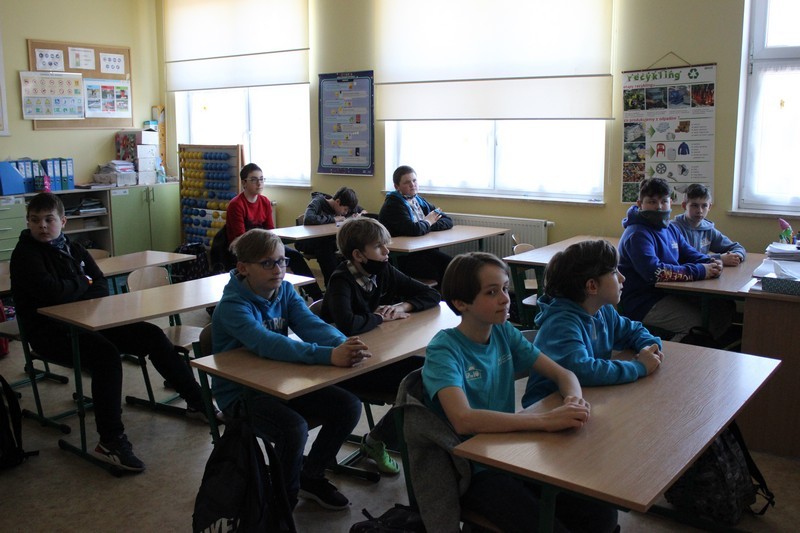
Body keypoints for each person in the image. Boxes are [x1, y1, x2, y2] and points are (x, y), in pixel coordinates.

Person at [10, 192, 211, 473]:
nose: (41, 226)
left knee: (151, 335)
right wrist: (83, 283)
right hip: (50, 332)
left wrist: (76, 288)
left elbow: (101, 286)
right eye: (34, 220)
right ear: (28, 222)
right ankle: (110, 441)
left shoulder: (74, 248)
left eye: (48, 219)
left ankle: (198, 403)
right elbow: (51, 293)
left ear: (63, 221)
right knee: (105, 356)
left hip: (92, 321)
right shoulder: (25, 255)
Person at [422, 252, 618, 532]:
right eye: (492, 292)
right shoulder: (444, 349)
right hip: (471, 468)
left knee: (601, 512)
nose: (505, 299)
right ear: (461, 303)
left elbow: (564, 374)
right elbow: (463, 420)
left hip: (508, 450)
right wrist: (545, 420)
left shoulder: (503, 331)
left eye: (505, 288)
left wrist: (574, 402)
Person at [211, 228, 369, 511]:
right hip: (241, 394)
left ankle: (311, 476)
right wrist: (329, 356)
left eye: (282, 261)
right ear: (243, 268)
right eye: (267, 263)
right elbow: (267, 343)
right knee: (293, 429)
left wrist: (343, 344)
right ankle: (282, 502)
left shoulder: (284, 290)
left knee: (348, 406)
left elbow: (310, 324)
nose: (278, 269)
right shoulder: (232, 305)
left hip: (279, 383)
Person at [320, 217, 440, 474]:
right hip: (348, 365)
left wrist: (402, 306)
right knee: (419, 384)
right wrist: (379, 317)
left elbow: (431, 294)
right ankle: (383, 438)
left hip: (378, 354)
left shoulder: (383, 270)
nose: (387, 251)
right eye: (378, 247)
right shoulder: (341, 280)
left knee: (434, 373)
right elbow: (347, 324)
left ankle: (379, 438)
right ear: (358, 255)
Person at [522, 239, 663, 408]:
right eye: (614, 272)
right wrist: (639, 367)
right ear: (592, 286)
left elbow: (633, 331)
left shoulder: (603, 310)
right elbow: (583, 370)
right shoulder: (561, 324)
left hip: (586, 397)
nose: (622, 277)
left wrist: (650, 348)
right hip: (549, 406)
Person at [618, 177, 733, 342]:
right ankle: (664, 354)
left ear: (670, 203)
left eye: (664, 201)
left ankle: (705, 350)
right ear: (640, 204)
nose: (659, 207)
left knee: (722, 309)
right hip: (644, 301)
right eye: (652, 202)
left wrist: (710, 262)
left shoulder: (670, 227)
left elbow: (689, 253)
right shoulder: (637, 234)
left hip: (669, 292)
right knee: (696, 326)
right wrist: (701, 271)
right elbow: (655, 272)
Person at [226, 163, 324, 300]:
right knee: (267, 263)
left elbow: (270, 231)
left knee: (295, 256)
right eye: (254, 179)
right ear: (244, 183)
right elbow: (240, 238)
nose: (259, 183)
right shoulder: (236, 204)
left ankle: (318, 298)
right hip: (245, 248)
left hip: (264, 245)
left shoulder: (265, 201)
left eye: (261, 179)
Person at [378, 165, 453, 286]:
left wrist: (426, 225)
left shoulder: (419, 200)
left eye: (414, 180)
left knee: (452, 265)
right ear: (397, 187)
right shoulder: (393, 204)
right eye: (407, 182)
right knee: (439, 270)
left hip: (422, 250)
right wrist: (428, 222)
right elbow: (413, 229)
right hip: (403, 257)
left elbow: (447, 220)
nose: (412, 185)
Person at [295, 187, 365, 285]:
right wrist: (333, 219)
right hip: (308, 241)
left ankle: (345, 283)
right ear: (337, 201)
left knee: (346, 246)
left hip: (326, 242)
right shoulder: (318, 201)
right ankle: (333, 284)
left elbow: (361, 210)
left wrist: (361, 214)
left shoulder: (343, 205)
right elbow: (308, 219)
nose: (345, 213)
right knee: (326, 248)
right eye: (345, 209)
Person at [673, 183, 746, 266]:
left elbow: (737, 247)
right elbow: (681, 259)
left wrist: (736, 256)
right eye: (694, 205)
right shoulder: (673, 229)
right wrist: (718, 258)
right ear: (684, 206)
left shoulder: (708, 229)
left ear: (709, 207)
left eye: (704, 206)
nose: (700, 211)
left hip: (705, 272)